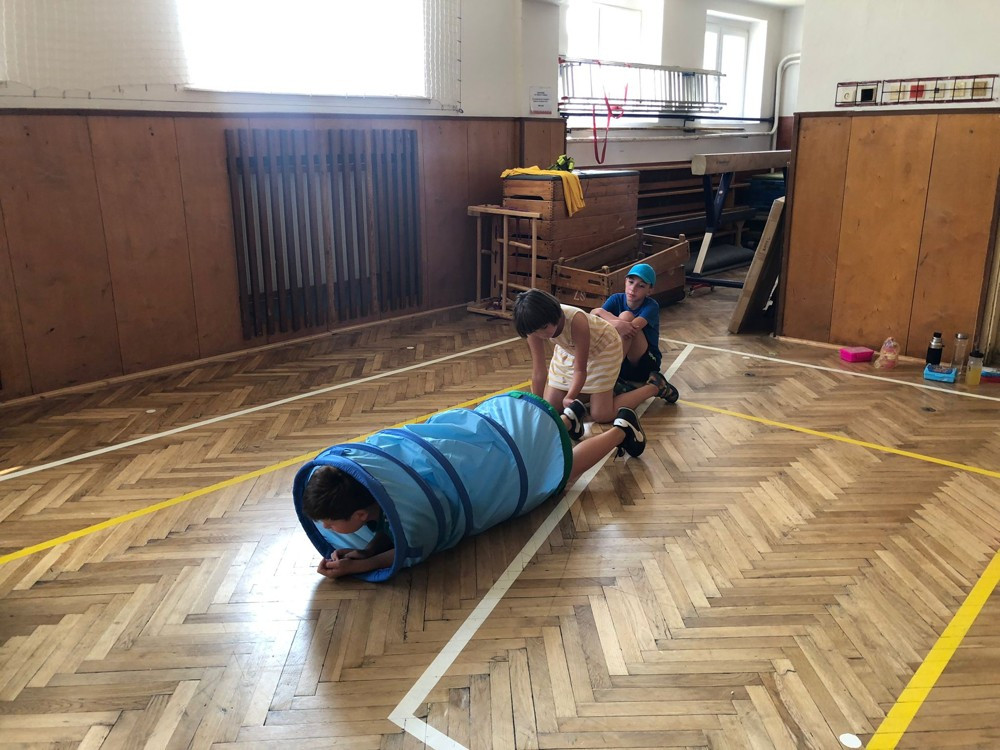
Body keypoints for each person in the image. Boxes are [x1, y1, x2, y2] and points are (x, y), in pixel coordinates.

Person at [302, 404, 646, 580]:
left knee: (559, 472)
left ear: (360, 514)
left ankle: (620, 430)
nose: (327, 529)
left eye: (330, 523)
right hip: (490, 442)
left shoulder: (412, 510)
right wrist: (364, 552)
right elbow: (389, 532)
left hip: (490, 463)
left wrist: (365, 563)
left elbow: (410, 548)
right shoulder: (372, 498)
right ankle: (568, 419)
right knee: (532, 446)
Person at [512, 288, 666, 440]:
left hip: (603, 349)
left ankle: (655, 386)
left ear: (555, 314)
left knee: (601, 414)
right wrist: (537, 406)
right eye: (536, 332)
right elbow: (538, 371)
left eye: (544, 328)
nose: (541, 335)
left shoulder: (576, 320)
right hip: (569, 351)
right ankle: (608, 390)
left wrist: (570, 397)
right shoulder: (532, 325)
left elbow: (580, 370)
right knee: (552, 406)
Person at [591, 262, 678, 403]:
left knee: (626, 317)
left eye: (641, 286)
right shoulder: (616, 298)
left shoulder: (651, 306)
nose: (633, 288)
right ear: (625, 282)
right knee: (609, 324)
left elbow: (631, 328)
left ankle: (609, 375)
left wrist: (605, 315)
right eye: (631, 282)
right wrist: (606, 315)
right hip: (623, 365)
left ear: (649, 290)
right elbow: (593, 316)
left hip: (646, 365)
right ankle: (613, 377)